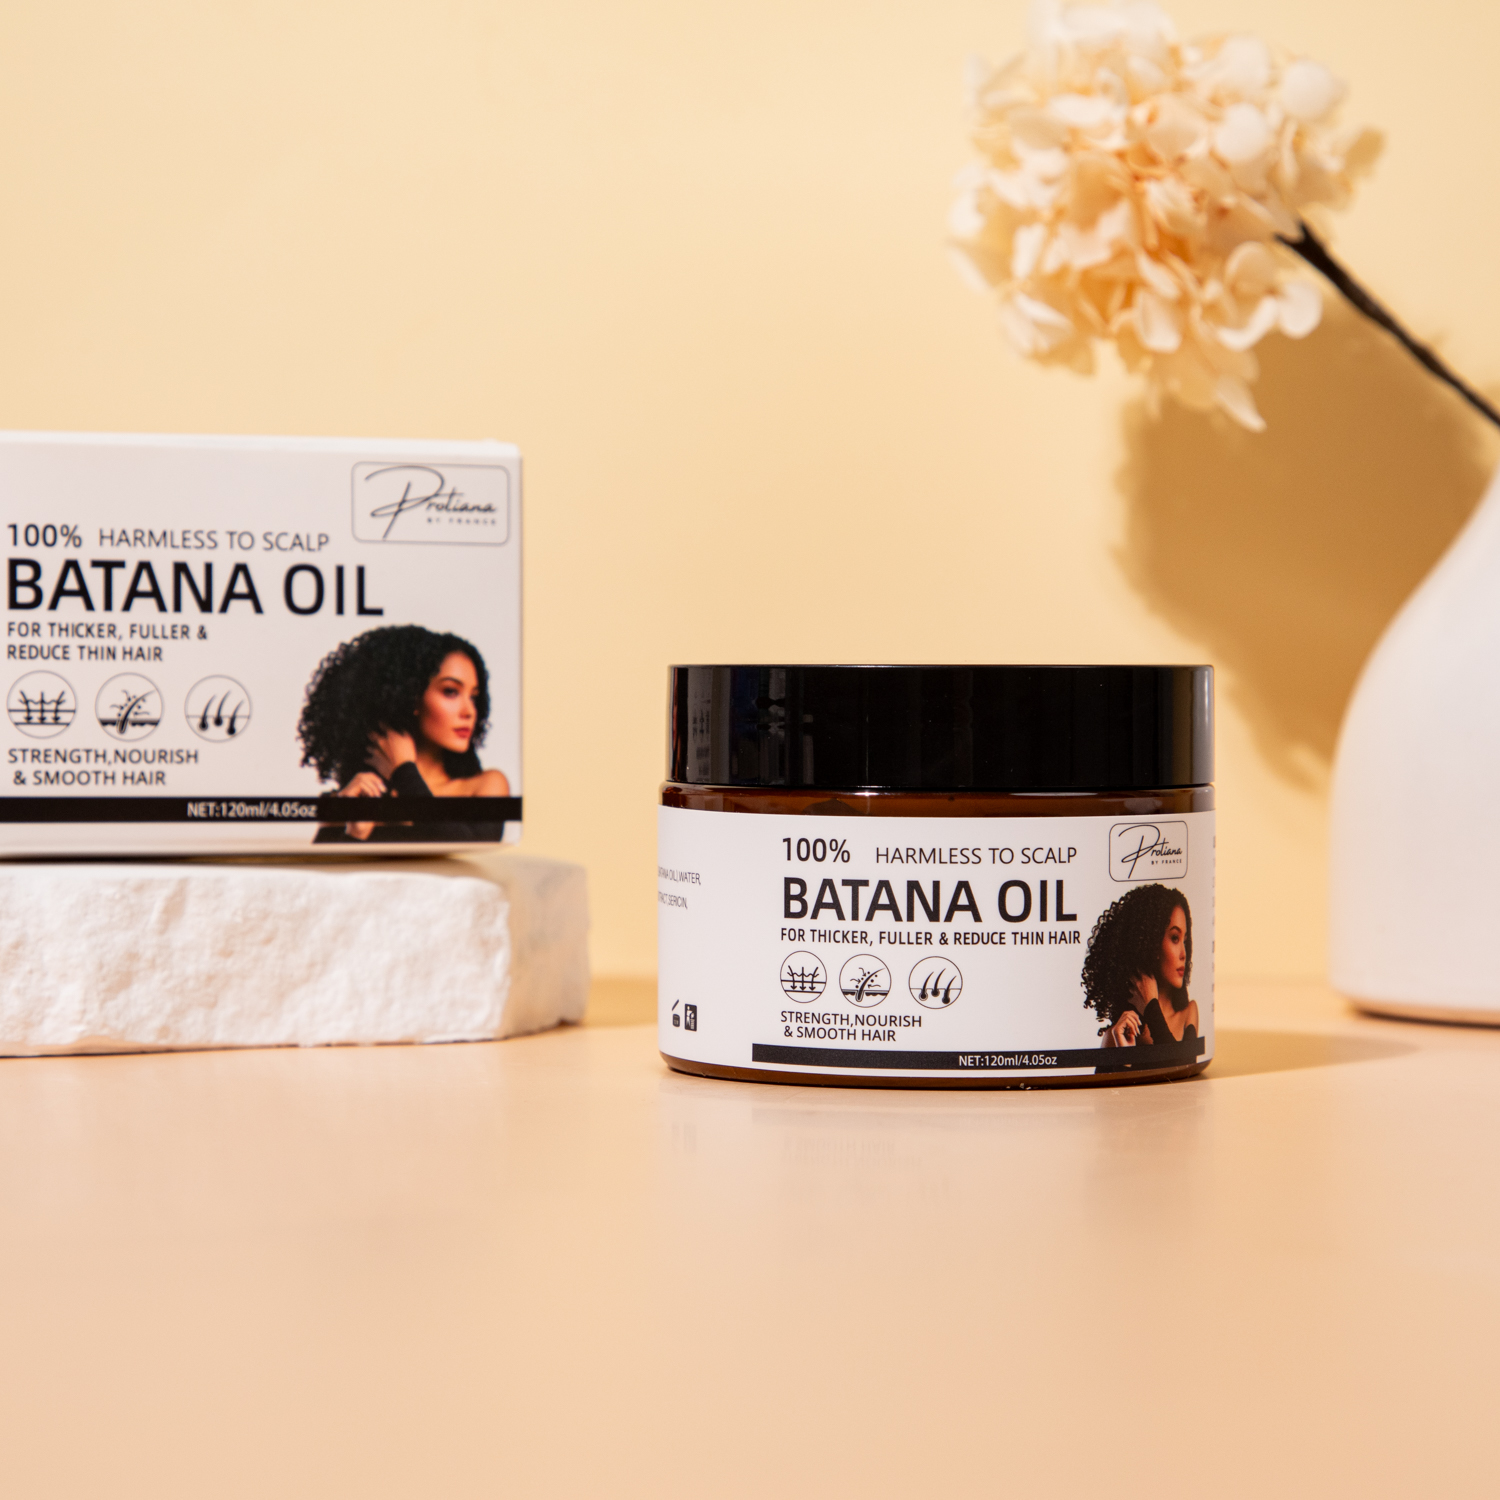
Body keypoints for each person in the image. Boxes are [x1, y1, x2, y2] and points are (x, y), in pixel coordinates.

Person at [297, 625, 509, 842]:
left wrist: (405, 773)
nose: (470, 711)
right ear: (411, 696)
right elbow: (330, 867)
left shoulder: (486, 787)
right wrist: (354, 833)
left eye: (473, 697)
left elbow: (464, 850)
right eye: (451, 692)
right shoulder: (353, 796)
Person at [1080, 884, 1198, 1049]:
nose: (1184, 954)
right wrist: (1125, 1053)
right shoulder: (1118, 1033)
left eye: (1184, 941)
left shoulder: (1188, 1013)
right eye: (1174, 938)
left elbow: (1180, 1060)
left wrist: (1151, 1006)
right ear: (1151, 943)